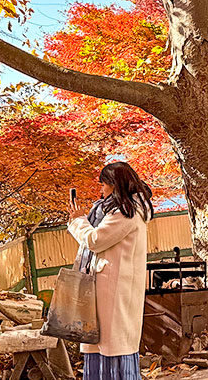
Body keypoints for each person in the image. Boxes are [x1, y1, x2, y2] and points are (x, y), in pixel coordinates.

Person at [66, 162, 154, 380]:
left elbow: (95, 240)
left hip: (115, 287)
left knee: (113, 345)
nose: (101, 190)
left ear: (114, 185)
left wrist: (78, 220)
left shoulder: (126, 213)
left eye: (104, 184)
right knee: (105, 343)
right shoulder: (125, 209)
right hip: (112, 284)